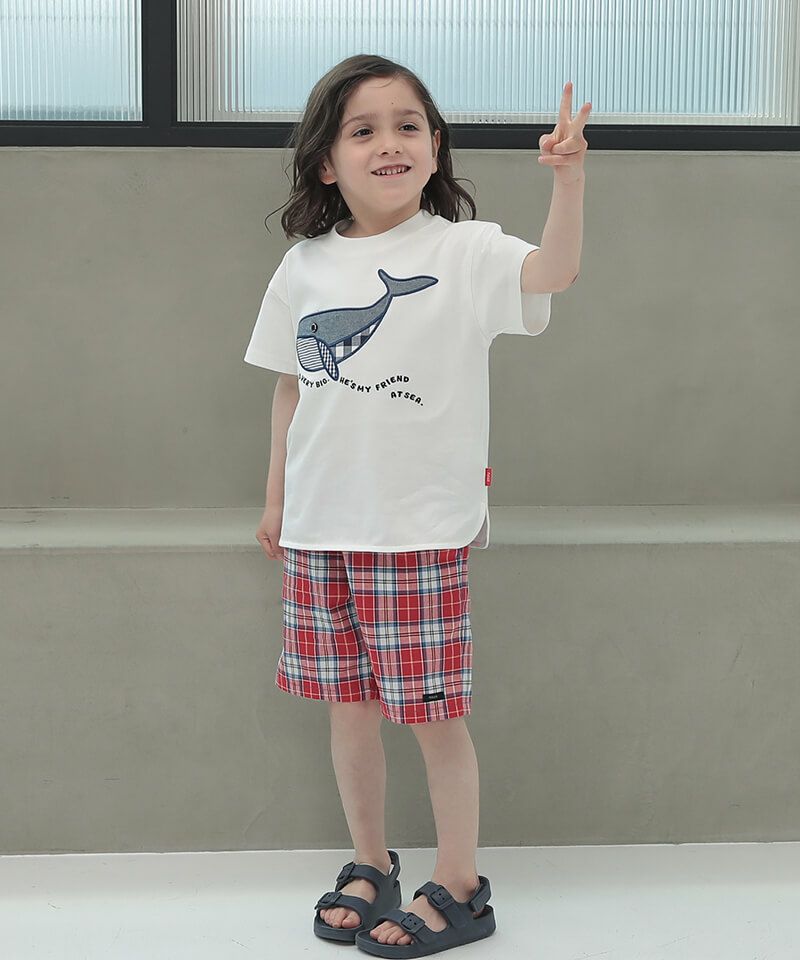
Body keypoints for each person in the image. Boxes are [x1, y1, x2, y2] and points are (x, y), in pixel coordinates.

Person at [243, 53, 587, 958]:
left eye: (407, 125)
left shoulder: (464, 251)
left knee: (433, 715)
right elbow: (291, 387)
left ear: (435, 147)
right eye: (363, 130)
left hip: (417, 530)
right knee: (347, 708)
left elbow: (553, 273)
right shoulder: (304, 265)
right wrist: (277, 498)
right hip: (320, 528)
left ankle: (462, 886)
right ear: (327, 161)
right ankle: (371, 863)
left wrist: (568, 180)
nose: (388, 143)